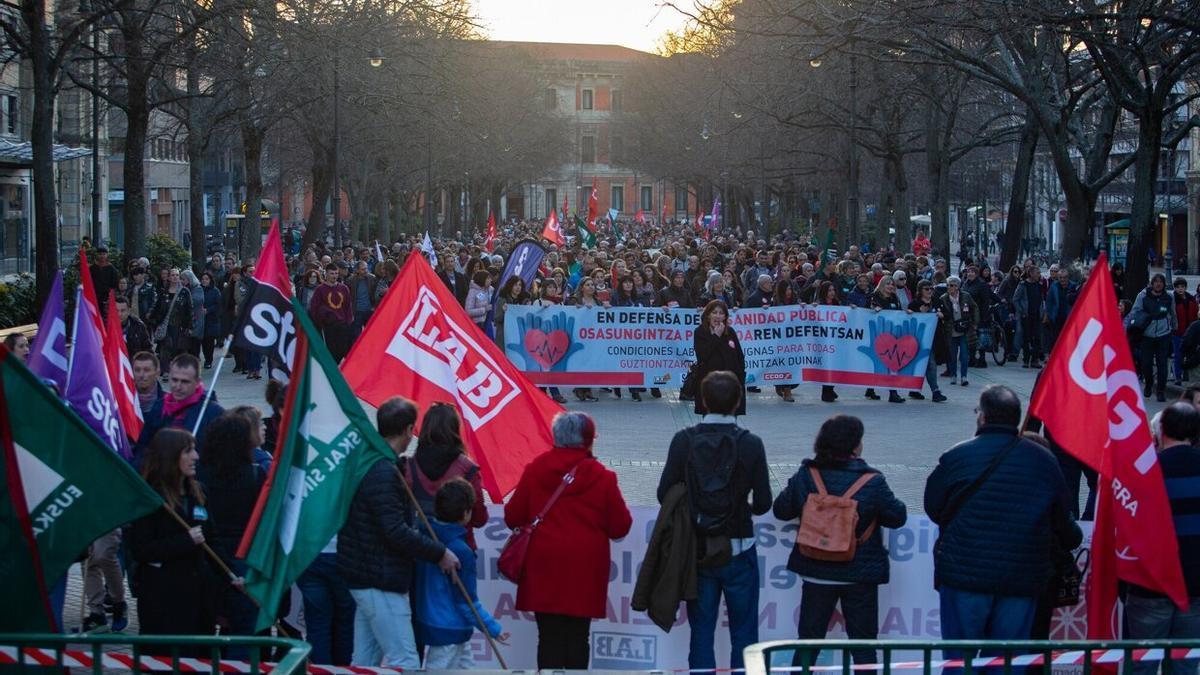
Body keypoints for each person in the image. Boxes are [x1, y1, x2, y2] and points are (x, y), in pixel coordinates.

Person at [924, 385, 1080, 656]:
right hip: (1020, 577)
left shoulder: (957, 456)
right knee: (1006, 661)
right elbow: (1061, 515)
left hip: (964, 576)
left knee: (959, 661)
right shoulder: (1044, 460)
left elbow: (934, 507)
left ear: (982, 416)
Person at [656, 371, 771, 670]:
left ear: (702, 401)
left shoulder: (684, 440)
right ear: (738, 402)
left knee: (702, 632)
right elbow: (763, 503)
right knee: (745, 634)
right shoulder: (751, 443)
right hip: (740, 547)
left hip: (698, 549)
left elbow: (663, 494)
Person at [773, 415, 907, 666]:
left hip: (816, 571)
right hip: (860, 574)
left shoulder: (807, 474)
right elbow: (897, 516)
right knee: (863, 646)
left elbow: (781, 509)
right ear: (856, 446)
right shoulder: (873, 481)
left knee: (808, 642)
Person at [504, 411, 632, 669]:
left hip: (543, 566)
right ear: (587, 440)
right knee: (578, 637)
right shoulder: (602, 476)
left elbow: (512, 516)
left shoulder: (535, 469)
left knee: (548, 638)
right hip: (585, 570)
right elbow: (620, 527)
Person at [338, 397, 459, 668]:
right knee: (405, 660)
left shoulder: (377, 463)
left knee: (364, 661)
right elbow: (395, 531)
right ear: (407, 430)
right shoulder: (383, 471)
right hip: (380, 577)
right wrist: (440, 553)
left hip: (366, 574)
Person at [128, 429, 220, 652]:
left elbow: (212, 539)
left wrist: (229, 576)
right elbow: (141, 549)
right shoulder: (150, 499)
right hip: (164, 600)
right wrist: (185, 541)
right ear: (171, 456)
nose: (196, 457)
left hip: (199, 599)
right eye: (188, 451)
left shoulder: (199, 492)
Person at [1126, 402, 1200, 675]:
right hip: (1195, 586)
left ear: (1161, 429)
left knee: (1141, 665)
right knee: (1184, 663)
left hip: (1150, 583)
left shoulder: (1144, 471)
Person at [413, 479, 507, 669]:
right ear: (466, 513)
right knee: (438, 669)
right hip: (449, 628)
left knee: (466, 668)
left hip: (435, 622)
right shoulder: (461, 551)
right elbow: (467, 601)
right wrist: (493, 629)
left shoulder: (424, 541)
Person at [196, 414, 266, 648]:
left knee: (205, 628)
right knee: (244, 630)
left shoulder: (199, 475)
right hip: (243, 560)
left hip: (208, 557)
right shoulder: (255, 475)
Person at [402, 404, 488, 548]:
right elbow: (480, 519)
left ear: (425, 429)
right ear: (455, 430)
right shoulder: (468, 469)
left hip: (419, 553)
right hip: (459, 551)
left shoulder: (407, 468)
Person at [136, 354, 224, 462]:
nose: (178, 386)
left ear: (197, 382)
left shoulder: (212, 413)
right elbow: (143, 448)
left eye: (185, 381)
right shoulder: (159, 407)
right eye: (174, 380)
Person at [692, 300, 746, 416]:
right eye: (714, 312)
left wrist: (740, 377)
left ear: (725, 317)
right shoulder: (700, 332)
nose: (717, 316)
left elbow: (739, 356)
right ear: (707, 315)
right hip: (710, 384)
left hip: (730, 383)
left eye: (721, 313)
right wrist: (716, 336)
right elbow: (702, 356)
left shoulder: (730, 332)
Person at [1130, 273, 1177, 402]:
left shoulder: (1169, 296)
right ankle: (1149, 384)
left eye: (1160, 281)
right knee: (1146, 363)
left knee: (1163, 364)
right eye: (1155, 281)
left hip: (1164, 334)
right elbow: (1135, 311)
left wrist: (1174, 327)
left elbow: (1173, 313)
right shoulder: (1143, 295)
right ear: (1152, 283)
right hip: (1147, 334)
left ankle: (1161, 391)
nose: (1158, 284)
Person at [907, 280, 948, 402]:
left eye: (931, 289)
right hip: (919, 339)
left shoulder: (937, 301)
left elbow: (947, 313)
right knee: (930, 363)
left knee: (926, 364)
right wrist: (919, 313)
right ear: (920, 291)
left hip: (935, 337)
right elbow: (909, 319)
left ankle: (914, 389)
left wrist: (942, 314)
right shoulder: (914, 303)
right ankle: (935, 391)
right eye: (926, 289)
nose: (929, 291)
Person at [869, 276, 905, 403]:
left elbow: (899, 313)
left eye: (892, 284)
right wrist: (875, 309)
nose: (890, 286)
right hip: (879, 334)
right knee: (876, 363)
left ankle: (893, 393)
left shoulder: (894, 297)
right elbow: (870, 310)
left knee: (891, 364)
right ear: (882, 284)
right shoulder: (875, 296)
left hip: (893, 334)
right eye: (887, 284)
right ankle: (870, 388)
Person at [152, 268, 193, 377]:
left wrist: (189, 326)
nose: (175, 277)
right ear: (169, 277)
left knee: (178, 348)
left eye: (177, 275)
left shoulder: (185, 292)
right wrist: (155, 322)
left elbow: (189, 309)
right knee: (166, 347)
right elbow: (157, 308)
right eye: (173, 275)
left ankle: (179, 370)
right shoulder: (163, 292)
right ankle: (166, 370)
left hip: (179, 325)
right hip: (166, 325)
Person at [310, 264, 355, 363]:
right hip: (329, 327)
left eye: (336, 273)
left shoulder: (344, 288)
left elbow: (348, 307)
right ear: (326, 274)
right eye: (331, 273)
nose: (334, 276)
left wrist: (348, 322)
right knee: (331, 354)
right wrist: (321, 320)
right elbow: (314, 308)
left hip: (342, 325)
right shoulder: (320, 290)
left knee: (343, 351)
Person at [940, 275, 979, 387]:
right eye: (947, 285)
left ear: (957, 286)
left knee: (964, 355)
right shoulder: (943, 298)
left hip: (964, 329)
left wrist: (975, 323)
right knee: (952, 355)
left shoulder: (966, 296)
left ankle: (964, 377)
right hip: (951, 330)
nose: (949, 287)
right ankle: (953, 375)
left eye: (952, 285)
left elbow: (974, 308)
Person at [1012, 266, 1047, 368]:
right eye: (1037, 273)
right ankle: (1026, 359)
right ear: (1031, 274)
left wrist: (1042, 311)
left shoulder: (1039, 285)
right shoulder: (1023, 285)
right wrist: (1021, 311)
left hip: (1036, 315)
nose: (1039, 275)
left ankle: (1035, 360)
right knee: (1026, 337)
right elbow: (1015, 299)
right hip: (1026, 315)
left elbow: (1041, 299)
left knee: (1037, 337)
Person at [1174, 279, 1199, 385]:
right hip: (1178, 332)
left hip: (1191, 332)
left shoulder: (1191, 299)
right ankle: (1178, 376)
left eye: (1182, 287)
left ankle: (1186, 374)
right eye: (1178, 287)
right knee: (1178, 354)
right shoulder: (1173, 300)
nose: (1180, 289)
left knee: (1191, 354)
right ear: (1175, 288)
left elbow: (1195, 314)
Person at [197, 272, 222, 368]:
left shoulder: (215, 291)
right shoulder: (198, 290)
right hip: (200, 320)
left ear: (210, 280)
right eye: (203, 279)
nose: (204, 281)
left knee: (209, 341)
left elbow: (218, 305)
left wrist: (208, 310)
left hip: (211, 319)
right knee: (203, 341)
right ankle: (206, 358)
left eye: (206, 279)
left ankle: (209, 360)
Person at [90, 247, 121, 320]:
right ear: (97, 255)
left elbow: (115, 284)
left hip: (107, 297)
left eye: (104, 254)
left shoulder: (111, 269)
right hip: (94, 297)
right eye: (100, 254)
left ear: (107, 255)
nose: (102, 256)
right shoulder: (92, 268)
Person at [347, 260, 377, 335]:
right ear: (357, 270)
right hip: (357, 311)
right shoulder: (351, 280)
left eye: (366, 268)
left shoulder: (372, 278)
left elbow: (375, 294)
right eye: (363, 269)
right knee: (356, 335)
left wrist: (373, 307)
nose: (365, 271)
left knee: (371, 334)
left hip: (369, 310)